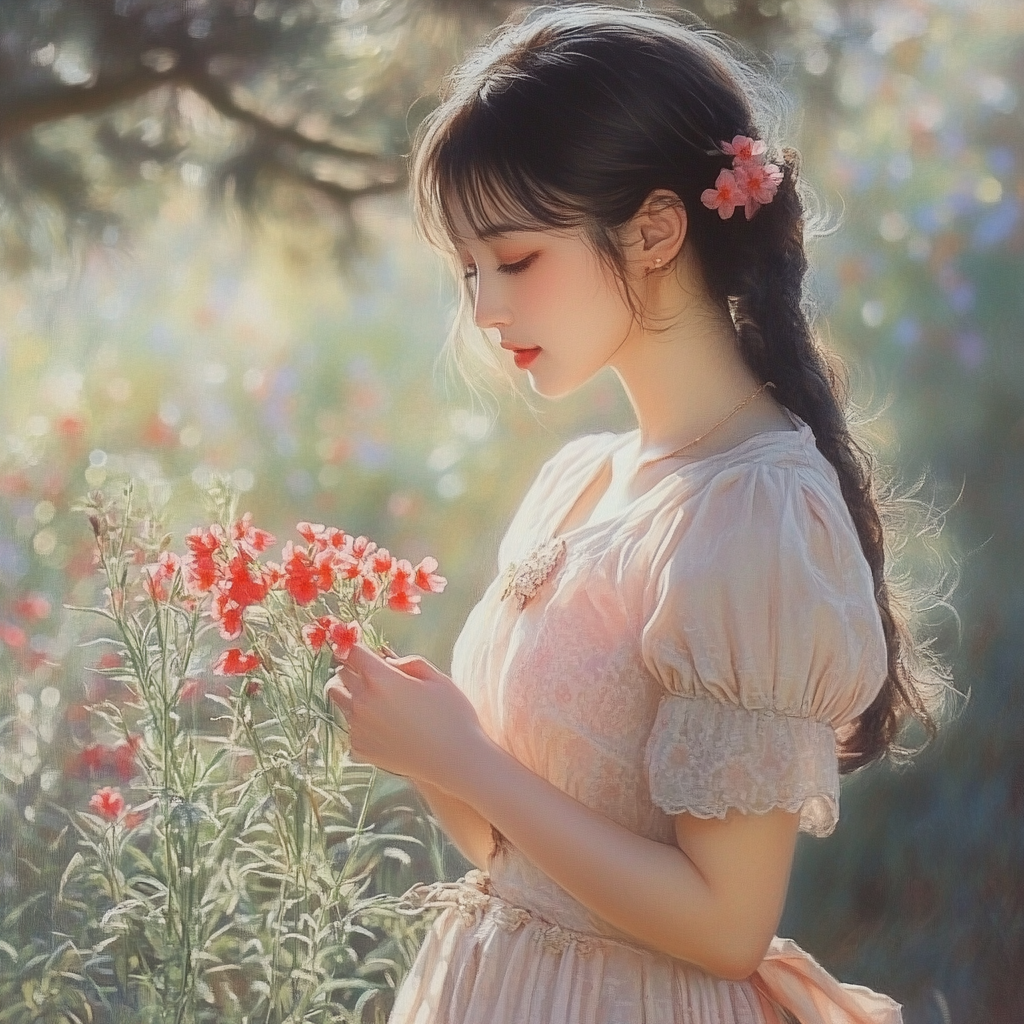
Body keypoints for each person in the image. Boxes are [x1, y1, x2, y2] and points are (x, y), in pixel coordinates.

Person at [326, 4, 953, 1022]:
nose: (484, 310)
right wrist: (428, 751)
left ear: (656, 228)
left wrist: (464, 757)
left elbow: (721, 927)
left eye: (516, 259)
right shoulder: (578, 482)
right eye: (467, 270)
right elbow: (525, 858)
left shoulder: (756, 511)